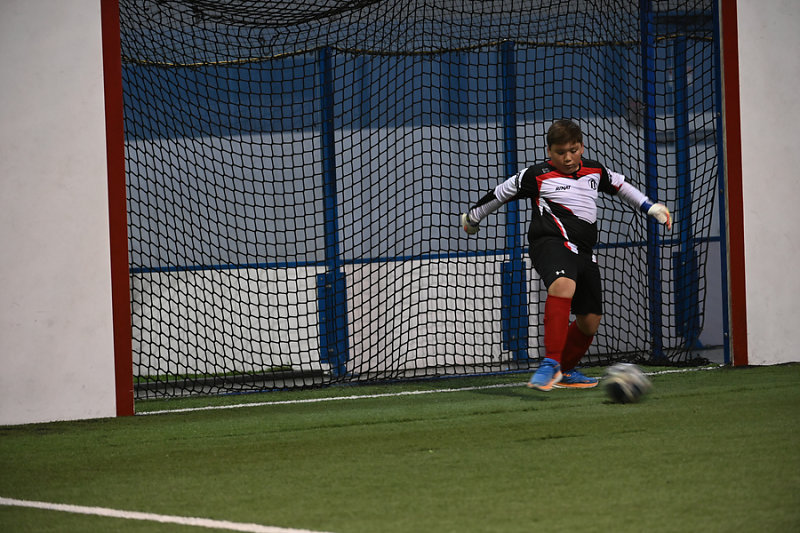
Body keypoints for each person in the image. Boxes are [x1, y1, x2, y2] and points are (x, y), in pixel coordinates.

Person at [460, 119, 672, 391]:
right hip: (549, 242)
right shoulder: (535, 175)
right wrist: (473, 218)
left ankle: (565, 370)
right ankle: (550, 363)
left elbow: (621, 185)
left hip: (583, 251)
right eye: (561, 152)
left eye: (573, 150)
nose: (568, 158)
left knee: (590, 321)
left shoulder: (595, 171)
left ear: (581, 147)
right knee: (563, 285)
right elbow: (500, 194)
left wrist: (650, 207)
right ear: (549, 151)